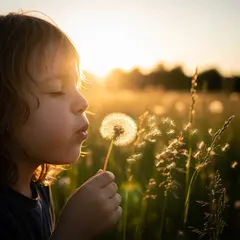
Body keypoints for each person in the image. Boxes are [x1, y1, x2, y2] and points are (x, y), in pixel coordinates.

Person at [0, 11, 122, 240]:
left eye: (77, 86)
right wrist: (72, 232)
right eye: (57, 90)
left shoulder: (40, 188)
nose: (83, 103)